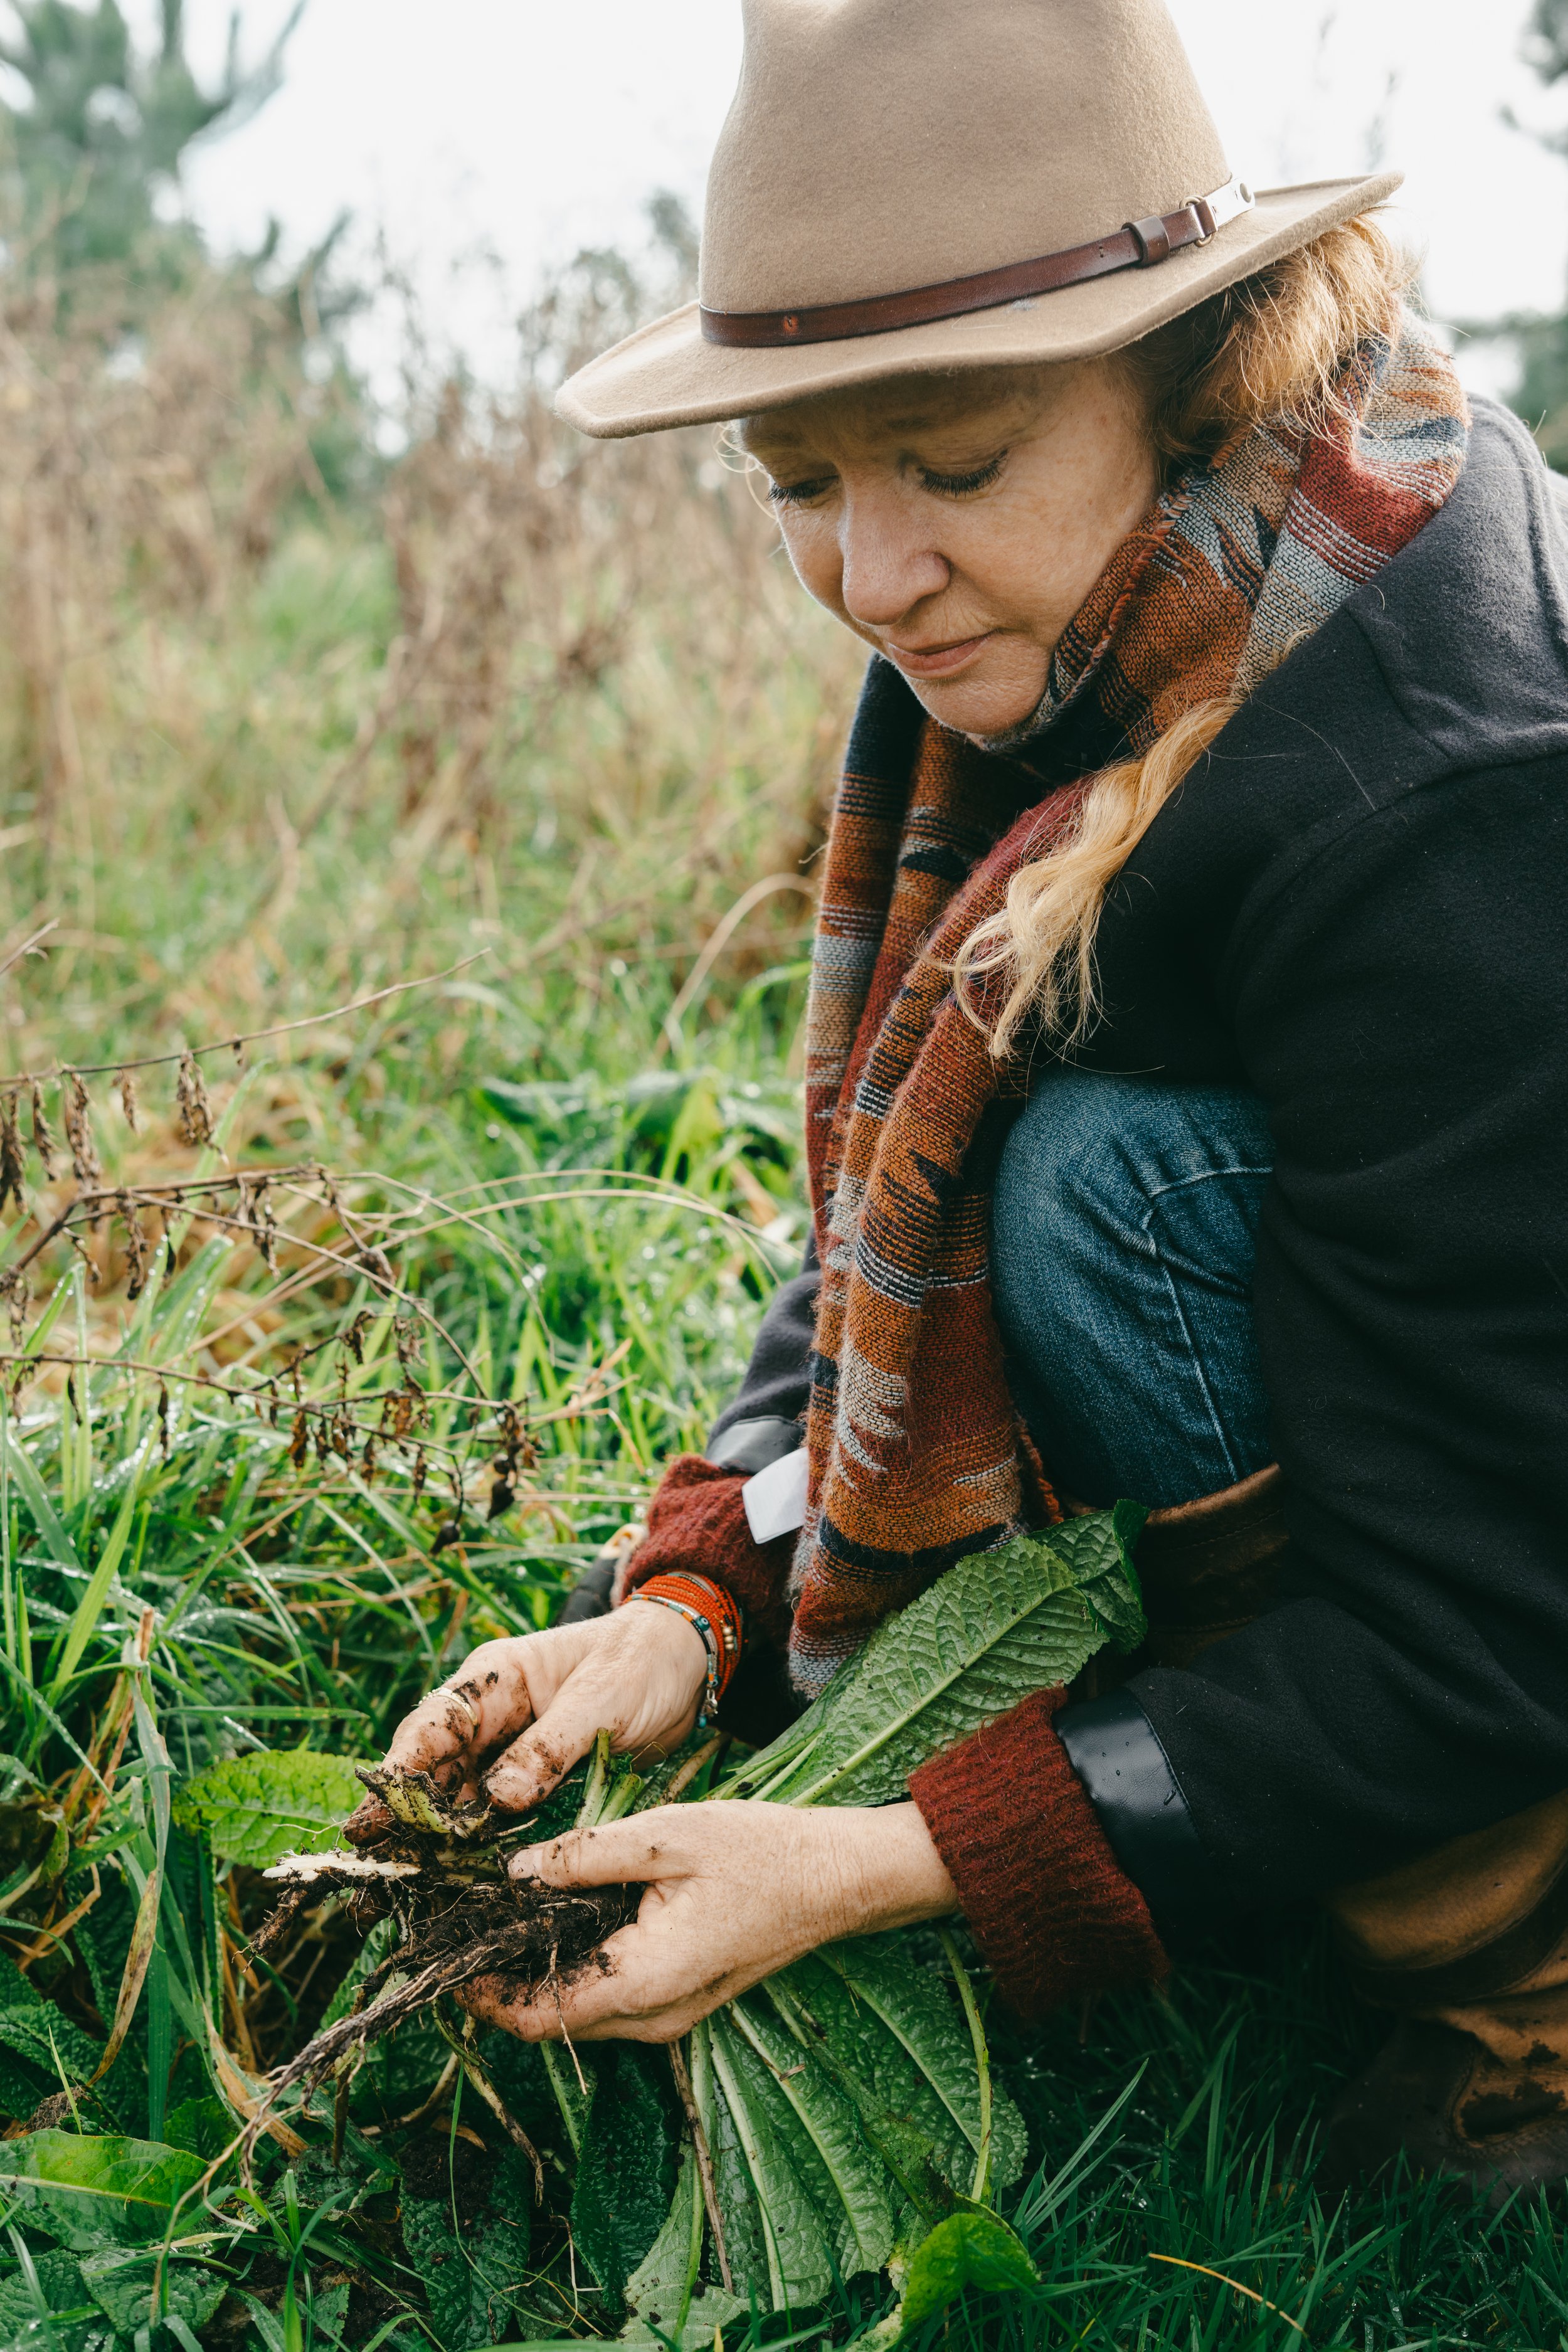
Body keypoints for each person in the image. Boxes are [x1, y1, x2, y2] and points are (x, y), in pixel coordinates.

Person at [358, 0, 1568, 2200]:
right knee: (1066, 1144)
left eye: (950, 461)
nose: (868, 575)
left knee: (1106, 1190)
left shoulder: (1436, 791)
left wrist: (891, 1856)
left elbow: (1491, 1625)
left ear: (1197, 370)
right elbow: (889, 1192)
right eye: (800, 484)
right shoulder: (1119, 602)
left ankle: (1512, 1983)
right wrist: (692, 1600)